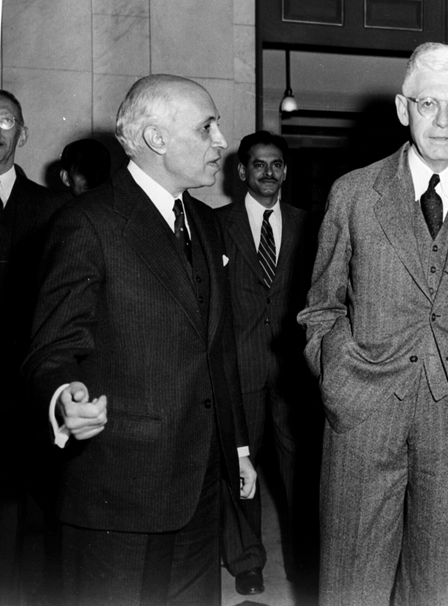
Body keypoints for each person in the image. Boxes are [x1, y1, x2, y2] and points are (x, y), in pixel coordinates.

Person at [297, 42, 448, 606]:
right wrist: (339, 377)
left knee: (430, 584)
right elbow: (322, 306)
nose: (443, 121)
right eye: (429, 104)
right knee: (351, 580)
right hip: (363, 410)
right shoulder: (355, 193)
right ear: (404, 109)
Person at [23, 74, 257, 606]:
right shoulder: (89, 222)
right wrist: (64, 398)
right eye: (206, 127)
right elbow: (52, 347)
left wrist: (237, 448)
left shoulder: (206, 222)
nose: (222, 141)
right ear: (157, 139)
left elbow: (217, 350)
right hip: (120, 487)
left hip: (200, 484)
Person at [217, 131, 318, 595]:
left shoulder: (309, 225)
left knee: (301, 470)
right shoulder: (217, 225)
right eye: (259, 164)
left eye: (276, 164)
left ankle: (303, 561)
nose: (269, 173)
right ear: (242, 171)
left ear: (285, 170)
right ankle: (247, 561)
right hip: (239, 370)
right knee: (241, 466)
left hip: (294, 372)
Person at [0, 90, 68, 606]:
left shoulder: (54, 210)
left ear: (23, 135)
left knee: (29, 511)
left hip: (24, 384)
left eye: (4, 121)